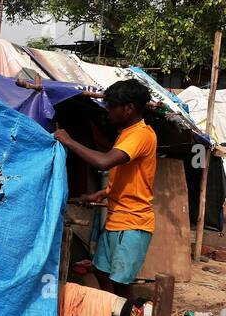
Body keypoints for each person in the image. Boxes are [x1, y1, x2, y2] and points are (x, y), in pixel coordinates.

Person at [55, 80, 157, 297]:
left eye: (112, 107)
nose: (108, 111)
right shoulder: (127, 133)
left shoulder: (141, 135)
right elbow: (127, 178)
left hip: (132, 223)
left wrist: (69, 141)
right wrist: (99, 194)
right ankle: (111, 311)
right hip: (117, 220)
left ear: (128, 108)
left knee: (121, 282)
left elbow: (104, 162)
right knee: (101, 271)